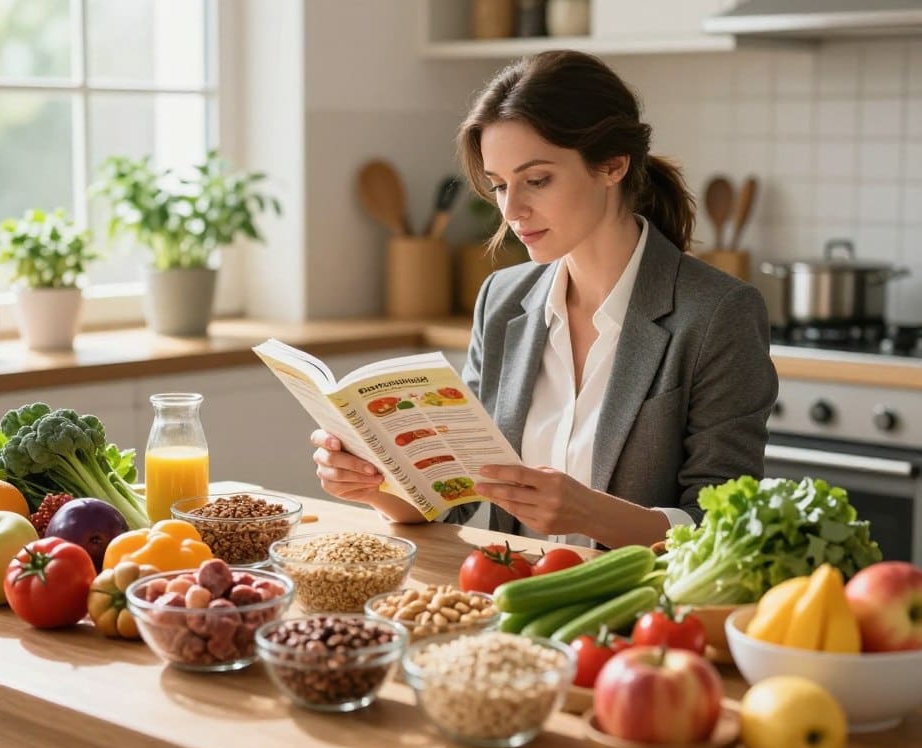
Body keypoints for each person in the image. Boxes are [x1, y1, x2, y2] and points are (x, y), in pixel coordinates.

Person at [311, 50, 778, 548]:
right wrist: (374, 483)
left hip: (642, 614)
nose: (512, 209)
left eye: (537, 180)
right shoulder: (503, 300)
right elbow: (461, 498)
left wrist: (591, 514)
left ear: (612, 165)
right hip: (513, 604)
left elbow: (726, 529)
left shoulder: (717, 313)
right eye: (499, 185)